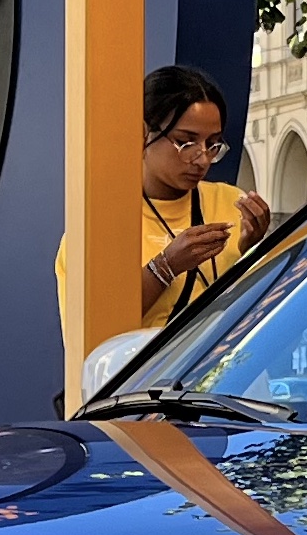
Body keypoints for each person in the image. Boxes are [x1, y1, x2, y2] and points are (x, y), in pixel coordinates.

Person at [55, 65, 271, 379]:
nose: (202, 159)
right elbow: (90, 340)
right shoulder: (100, 224)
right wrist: (165, 267)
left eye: (213, 144)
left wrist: (255, 253)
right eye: (186, 142)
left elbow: (263, 314)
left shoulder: (232, 205)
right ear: (143, 132)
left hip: (228, 389)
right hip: (138, 396)